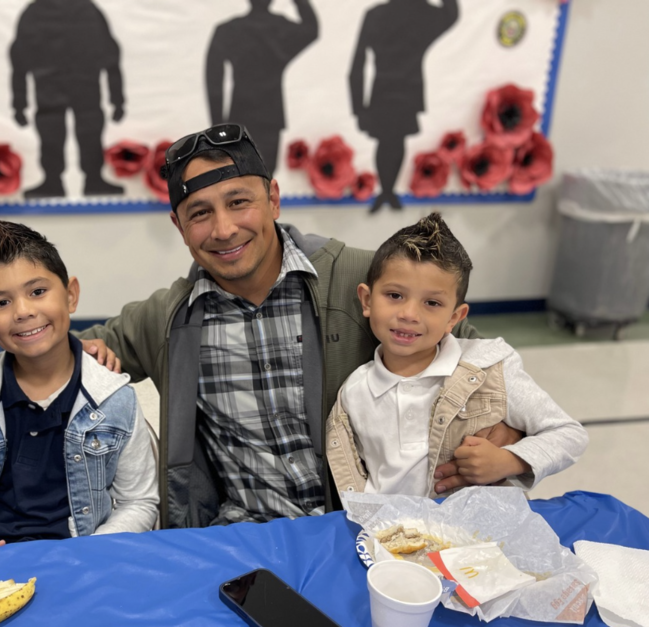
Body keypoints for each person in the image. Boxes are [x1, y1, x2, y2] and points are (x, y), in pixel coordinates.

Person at [76, 123, 521, 528]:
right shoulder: (167, 318)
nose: (225, 229)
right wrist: (83, 356)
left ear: (273, 198)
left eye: (238, 202)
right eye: (200, 213)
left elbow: (488, 365)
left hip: (366, 529)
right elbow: (52, 353)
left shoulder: (367, 282)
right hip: (244, 537)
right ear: (179, 225)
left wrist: (513, 442)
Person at [0, 218, 159, 549]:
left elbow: (138, 502)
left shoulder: (114, 398)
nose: (23, 311)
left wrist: (93, 552)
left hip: (84, 558)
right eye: (1, 303)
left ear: (70, 296)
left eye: (38, 292)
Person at [326, 213, 588, 496]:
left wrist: (508, 460)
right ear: (366, 300)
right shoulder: (353, 393)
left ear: (454, 317)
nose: (408, 314)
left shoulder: (491, 367)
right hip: (392, 536)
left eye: (432, 302)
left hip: (479, 534)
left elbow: (569, 434)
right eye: (394, 295)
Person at [348, 0, 458, 212]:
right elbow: (450, 14)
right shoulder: (421, 13)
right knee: (392, 140)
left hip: (395, 90)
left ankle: (387, 191)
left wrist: (358, 107)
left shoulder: (382, 14)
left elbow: (358, 62)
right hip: (396, 90)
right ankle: (387, 191)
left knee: (391, 139)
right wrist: (358, 107)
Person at [10, 0, 125, 199]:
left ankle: (91, 179)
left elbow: (110, 54)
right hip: (55, 86)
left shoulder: (85, 10)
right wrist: (19, 104)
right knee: (52, 131)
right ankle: (55, 180)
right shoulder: (39, 12)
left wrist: (118, 99)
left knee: (86, 129)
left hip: (79, 84)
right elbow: (19, 58)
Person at [205, 0, 319, 172]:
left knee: (240, 176)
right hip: (270, 116)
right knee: (265, 176)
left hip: (240, 114)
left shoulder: (229, 29)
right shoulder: (281, 28)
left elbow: (214, 80)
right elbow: (311, 29)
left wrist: (218, 125)